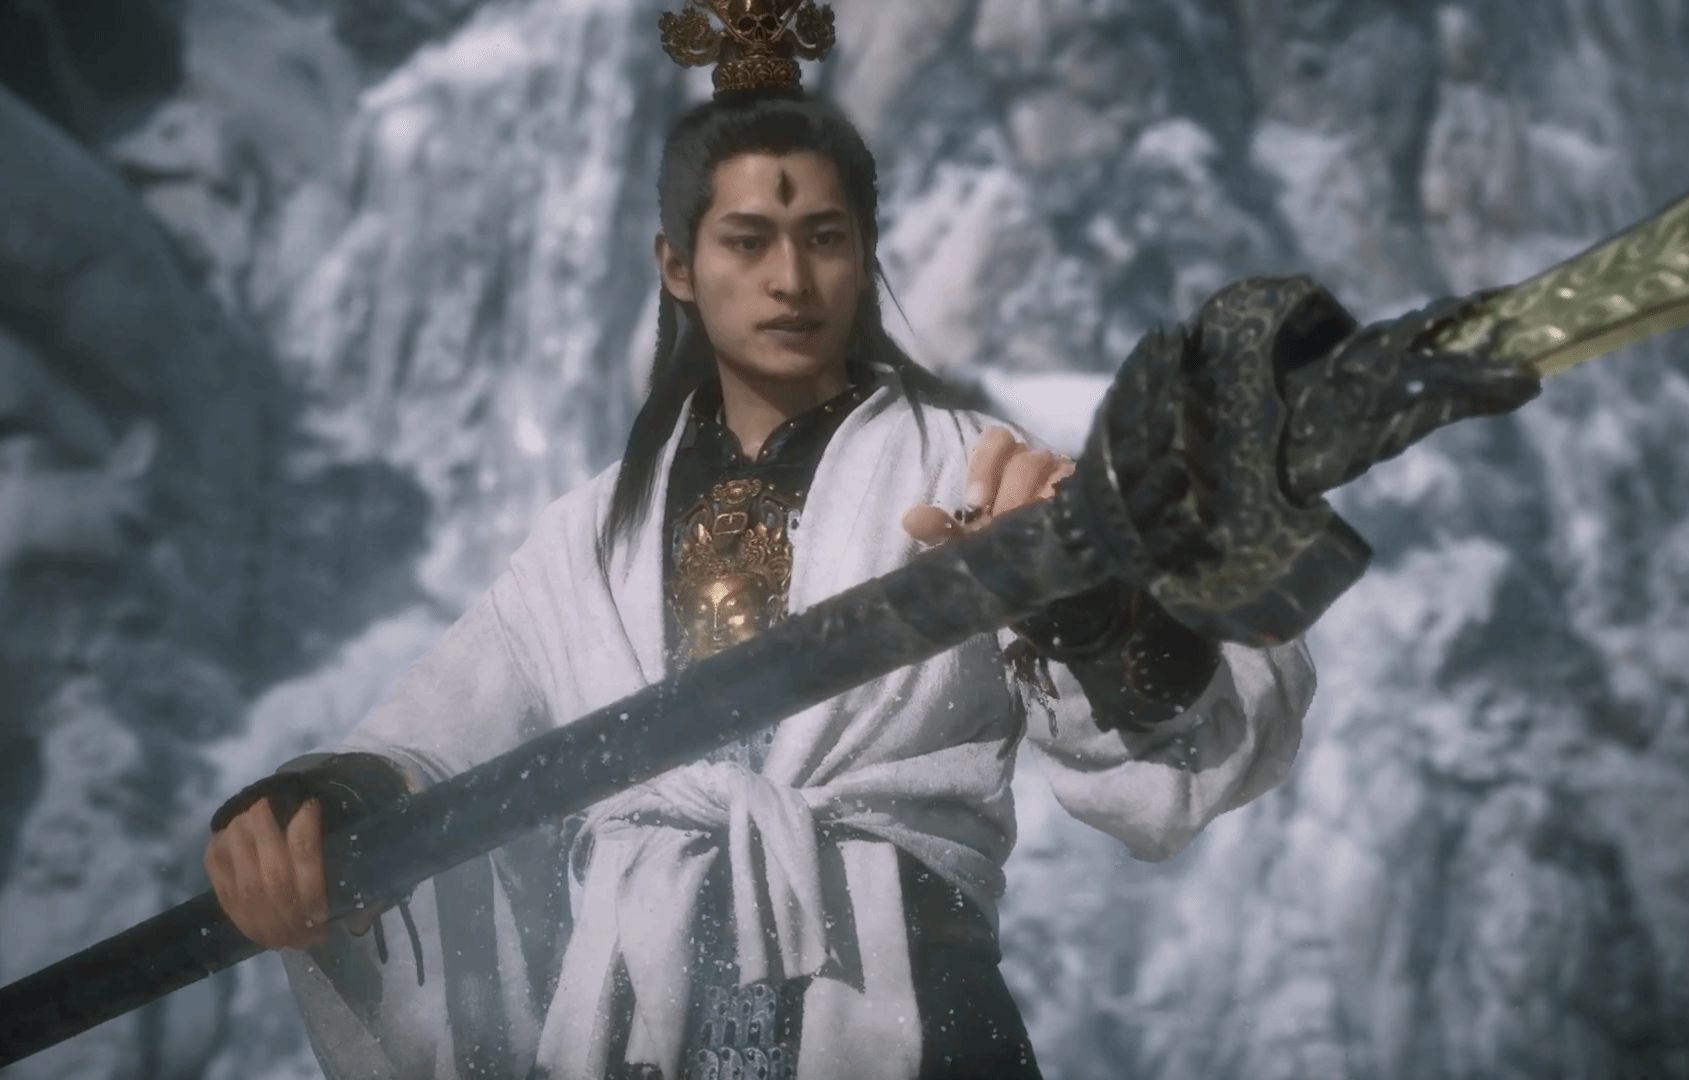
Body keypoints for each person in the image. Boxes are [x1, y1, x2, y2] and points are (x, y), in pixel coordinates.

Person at [201, 9, 1317, 1079]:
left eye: (824, 237)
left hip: (907, 1007)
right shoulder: (587, 540)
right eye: (748, 239)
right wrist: (317, 811)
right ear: (677, 264)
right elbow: (429, 745)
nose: (791, 279)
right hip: (636, 1031)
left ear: (864, 254)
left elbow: (1190, 745)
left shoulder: (976, 474)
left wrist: (1090, 608)